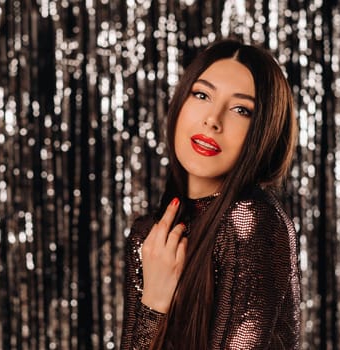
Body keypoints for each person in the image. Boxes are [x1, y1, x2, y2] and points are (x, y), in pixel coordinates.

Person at [120, 40, 300, 349]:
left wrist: (154, 307)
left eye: (241, 110)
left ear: (263, 132)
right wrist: (154, 304)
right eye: (202, 95)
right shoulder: (150, 238)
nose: (212, 120)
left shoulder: (251, 221)